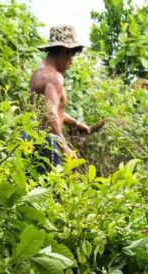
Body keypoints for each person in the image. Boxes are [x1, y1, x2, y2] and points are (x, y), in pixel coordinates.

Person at [28, 25, 90, 171]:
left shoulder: (39, 72)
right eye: (71, 55)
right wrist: (65, 148)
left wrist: (77, 124)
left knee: (35, 190)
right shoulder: (54, 77)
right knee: (50, 192)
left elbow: (49, 109)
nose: (72, 62)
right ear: (63, 51)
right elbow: (50, 116)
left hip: (33, 140)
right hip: (47, 144)